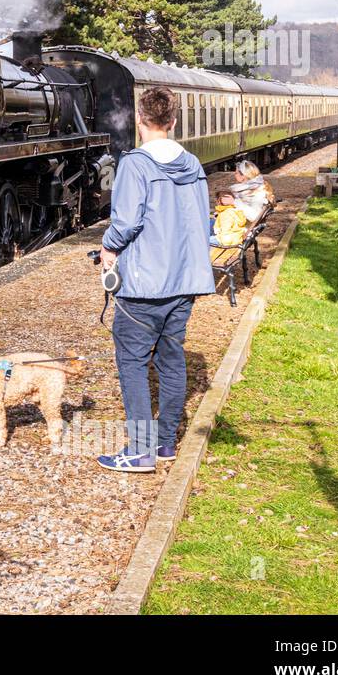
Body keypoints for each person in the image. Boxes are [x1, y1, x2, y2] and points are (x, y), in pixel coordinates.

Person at [96, 86, 215, 474]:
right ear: (174, 122)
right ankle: (164, 442)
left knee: (131, 363)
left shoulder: (135, 164)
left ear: (140, 121)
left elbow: (127, 221)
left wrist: (108, 248)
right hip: (185, 281)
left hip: (145, 285)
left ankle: (141, 451)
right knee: (171, 358)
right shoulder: (193, 164)